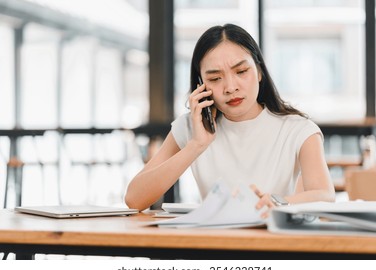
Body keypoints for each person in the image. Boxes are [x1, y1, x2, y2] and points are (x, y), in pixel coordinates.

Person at [125, 23, 335, 212]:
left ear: (260, 72)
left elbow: (324, 196)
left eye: (241, 71)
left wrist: (276, 202)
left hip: (273, 245)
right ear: (201, 85)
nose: (230, 87)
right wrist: (196, 145)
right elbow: (134, 199)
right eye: (215, 78)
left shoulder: (298, 129)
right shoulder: (191, 128)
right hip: (215, 246)